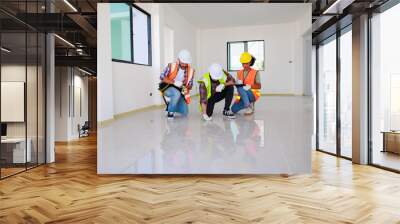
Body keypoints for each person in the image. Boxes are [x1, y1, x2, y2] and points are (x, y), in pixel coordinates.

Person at [159, 49, 195, 119]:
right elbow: (162, 77)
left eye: (186, 62)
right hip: (167, 87)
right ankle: (170, 112)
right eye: (183, 62)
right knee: (176, 94)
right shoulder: (171, 66)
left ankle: (171, 103)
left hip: (180, 89)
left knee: (185, 112)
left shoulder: (191, 71)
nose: (184, 64)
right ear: (179, 59)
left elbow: (190, 86)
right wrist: (174, 82)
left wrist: (186, 85)